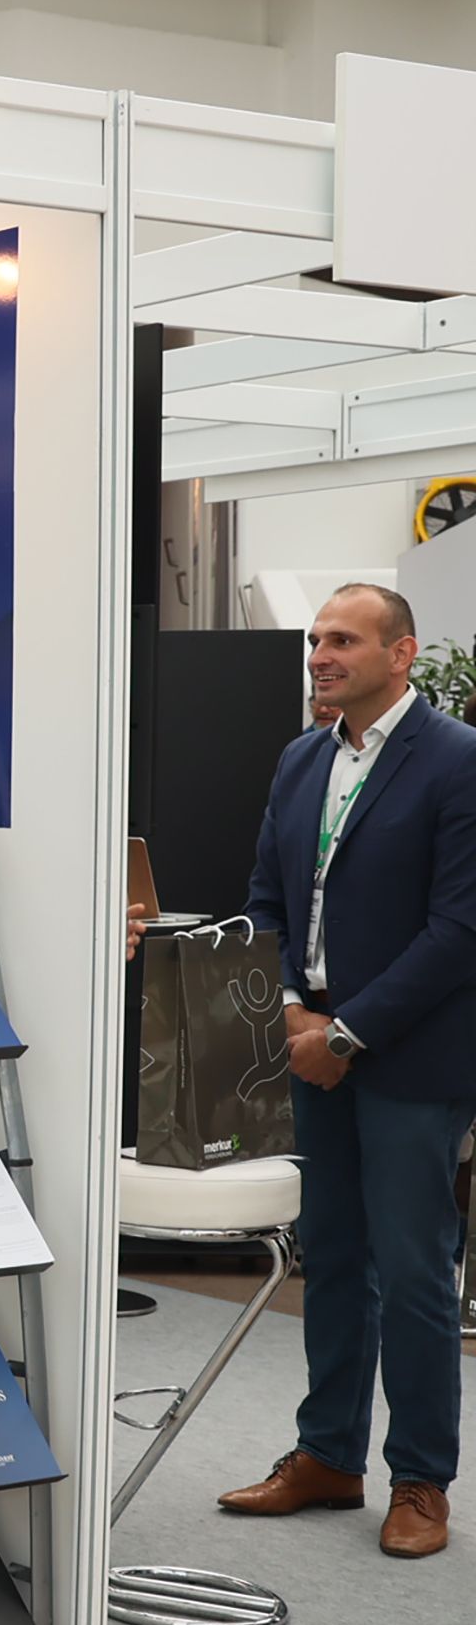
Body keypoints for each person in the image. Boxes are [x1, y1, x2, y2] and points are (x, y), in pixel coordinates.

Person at [223, 583, 476, 1559]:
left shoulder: (456, 760)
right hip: (311, 1042)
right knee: (329, 1255)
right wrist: (292, 1007)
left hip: (409, 1053)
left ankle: (421, 1477)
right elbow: (265, 898)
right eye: (316, 638)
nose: (320, 654)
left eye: (342, 639)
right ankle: (329, 1453)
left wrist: (348, 1033)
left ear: (401, 653)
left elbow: (459, 931)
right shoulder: (301, 759)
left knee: (412, 1270)